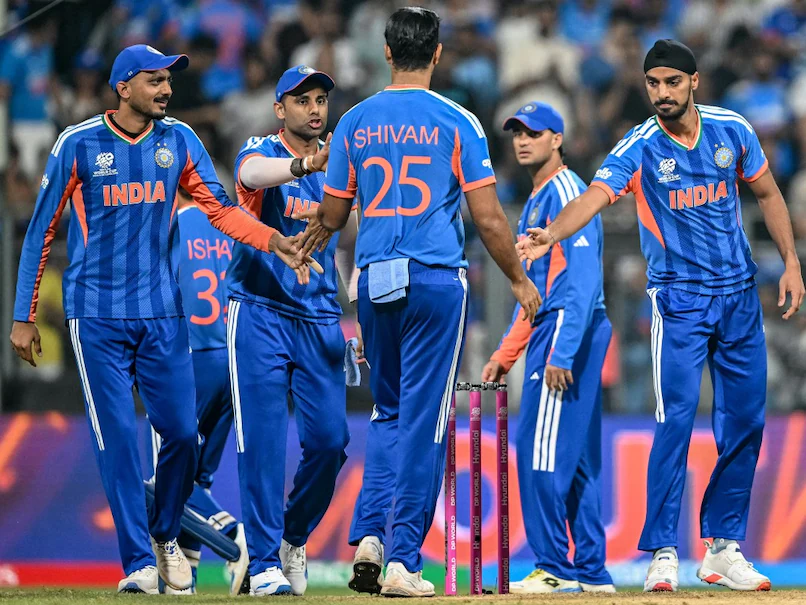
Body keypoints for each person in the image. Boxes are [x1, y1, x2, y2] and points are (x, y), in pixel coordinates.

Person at [9, 44, 312, 595]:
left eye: (168, 81)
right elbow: (40, 231)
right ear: (123, 87)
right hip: (95, 314)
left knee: (181, 436)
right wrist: (23, 315)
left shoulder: (181, 140)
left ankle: (166, 535)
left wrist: (274, 241)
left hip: (162, 313)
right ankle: (138, 564)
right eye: (155, 80)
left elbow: (221, 210)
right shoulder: (77, 143)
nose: (167, 89)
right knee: (118, 442)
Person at [517, 39, 805, 592]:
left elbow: (769, 193)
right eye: (653, 83)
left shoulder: (732, 130)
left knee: (745, 422)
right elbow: (595, 196)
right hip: (678, 301)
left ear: (694, 81)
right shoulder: (641, 145)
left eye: (672, 82)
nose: (662, 93)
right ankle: (664, 552)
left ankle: (723, 548)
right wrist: (551, 233)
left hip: (740, 295)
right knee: (675, 421)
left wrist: (790, 263)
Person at [298, 7, 541, 598]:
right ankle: (404, 559)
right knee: (427, 421)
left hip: (374, 280)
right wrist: (517, 279)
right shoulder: (457, 120)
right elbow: (488, 217)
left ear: (387, 52)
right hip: (434, 281)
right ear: (437, 54)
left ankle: (369, 538)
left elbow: (334, 214)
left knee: (388, 412)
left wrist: (312, 235)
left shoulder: (353, 121)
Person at [229, 65, 358, 596]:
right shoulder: (259, 149)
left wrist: (359, 314)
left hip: (320, 315)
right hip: (259, 309)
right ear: (279, 109)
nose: (314, 108)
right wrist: (307, 164)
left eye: (321, 99)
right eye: (302, 100)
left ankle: (291, 538)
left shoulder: (341, 163)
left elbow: (346, 245)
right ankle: (262, 563)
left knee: (331, 442)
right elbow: (253, 175)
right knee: (262, 444)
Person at [482, 102, 614, 594]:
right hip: (559, 325)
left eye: (534, 133)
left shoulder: (565, 192)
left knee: (537, 450)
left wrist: (561, 350)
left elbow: (581, 281)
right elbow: (533, 292)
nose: (522, 140)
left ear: (557, 139)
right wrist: (506, 353)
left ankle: (554, 566)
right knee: (574, 458)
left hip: (567, 329)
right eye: (517, 132)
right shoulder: (538, 197)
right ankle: (593, 571)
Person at [148, 188, 248, 596]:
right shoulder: (230, 226)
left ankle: (235, 536)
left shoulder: (170, 224)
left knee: (165, 480)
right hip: (233, 360)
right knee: (196, 481)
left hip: (188, 360)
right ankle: (183, 581)